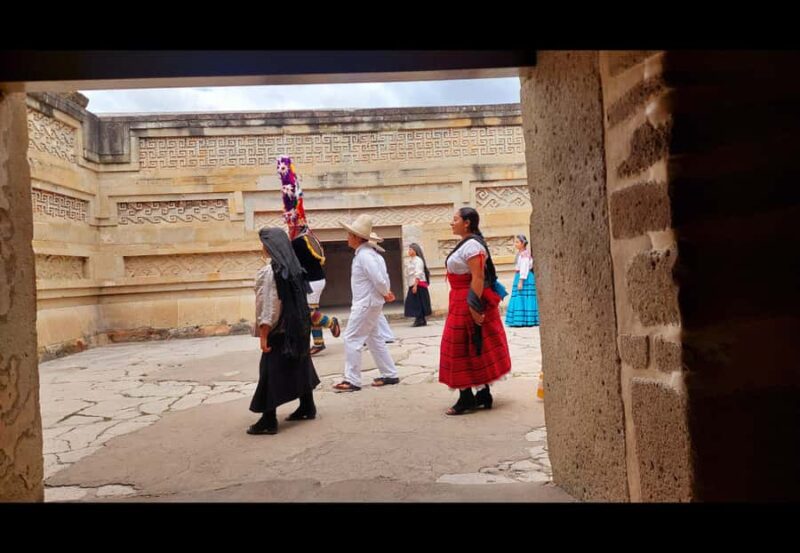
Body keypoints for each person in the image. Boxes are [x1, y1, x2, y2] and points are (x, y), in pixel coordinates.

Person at [247, 227, 320, 435]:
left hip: (281, 331)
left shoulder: (271, 272)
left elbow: (268, 305)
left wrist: (264, 334)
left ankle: (268, 420)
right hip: (298, 328)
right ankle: (307, 406)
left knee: (269, 371)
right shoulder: (294, 267)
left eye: (264, 243)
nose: (263, 247)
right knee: (299, 364)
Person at [439, 207, 511, 415]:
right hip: (459, 299)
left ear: (467, 222)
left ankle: (467, 398)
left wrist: (473, 306)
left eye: (455, 219)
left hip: (467, 300)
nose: (452, 223)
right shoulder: (468, 244)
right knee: (471, 345)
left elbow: (477, 278)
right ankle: (482, 394)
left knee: (462, 346)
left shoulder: (472, 246)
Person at [332, 214, 400, 391]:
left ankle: (352, 380)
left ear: (356, 237)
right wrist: (386, 292)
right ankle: (389, 374)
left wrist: (386, 292)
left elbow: (378, 278)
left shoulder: (365, 256)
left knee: (352, 338)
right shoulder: (372, 254)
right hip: (371, 302)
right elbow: (382, 276)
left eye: (349, 234)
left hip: (366, 303)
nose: (347, 237)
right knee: (374, 338)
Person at [290, 225, 341, 355]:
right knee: (313, 312)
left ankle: (331, 323)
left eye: (291, 227)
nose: (289, 230)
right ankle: (319, 343)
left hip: (311, 281)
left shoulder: (298, 242)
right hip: (316, 280)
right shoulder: (309, 237)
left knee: (307, 312)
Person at [504, 234, 540, 327]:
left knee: (523, 296)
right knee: (521, 297)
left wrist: (521, 280)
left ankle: (525, 320)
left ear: (523, 243)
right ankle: (523, 319)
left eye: (517, 242)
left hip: (524, 277)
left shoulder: (525, 254)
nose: (515, 244)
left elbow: (524, 268)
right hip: (520, 276)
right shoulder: (521, 254)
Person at [403, 243, 432, 327]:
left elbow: (418, 272)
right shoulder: (411, 260)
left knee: (418, 303)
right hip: (412, 283)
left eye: (411, 249)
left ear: (415, 250)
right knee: (415, 302)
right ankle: (420, 319)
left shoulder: (418, 260)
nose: (409, 251)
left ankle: (420, 319)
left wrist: (415, 285)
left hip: (418, 284)